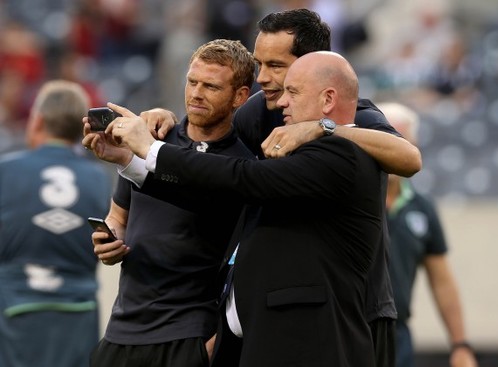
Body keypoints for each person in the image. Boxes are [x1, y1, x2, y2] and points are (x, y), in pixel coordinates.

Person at [141, 9, 422, 367]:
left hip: (355, 304)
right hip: (281, 307)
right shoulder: (260, 111)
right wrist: (168, 127)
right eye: (259, 64)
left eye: (276, 65)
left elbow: (409, 159)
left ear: (313, 66)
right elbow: (218, 156)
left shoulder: (355, 115)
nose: (263, 78)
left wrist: (324, 128)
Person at [104, 49, 383, 367]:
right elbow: (221, 198)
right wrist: (132, 164)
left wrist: (152, 149)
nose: (281, 102)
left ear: (328, 99)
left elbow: (240, 178)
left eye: (292, 92)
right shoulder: (302, 155)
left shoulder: (338, 155)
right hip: (260, 339)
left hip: (307, 343)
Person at [83, 39, 256, 367]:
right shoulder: (150, 140)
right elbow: (118, 216)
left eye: (211, 86)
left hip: (187, 335)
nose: (196, 93)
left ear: (240, 96)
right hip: (121, 331)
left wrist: (210, 347)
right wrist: (110, 238)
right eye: (192, 82)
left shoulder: (242, 165)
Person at [0, 80, 112, 367]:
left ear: (36, 121)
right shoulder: (98, 179)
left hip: (14, 312)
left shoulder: (6, 171)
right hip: (79, 312)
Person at [378, 102, 478, 367]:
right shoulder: (347, 198)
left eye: (402, 139)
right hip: (350, 330)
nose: (394, 147)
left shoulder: (422, 208)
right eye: (386, 137)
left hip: (397, 336)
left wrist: (460, 345)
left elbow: (441, 280)